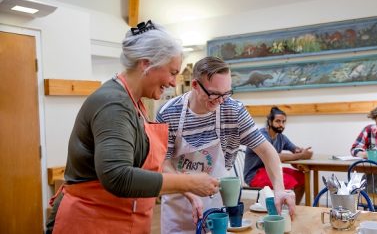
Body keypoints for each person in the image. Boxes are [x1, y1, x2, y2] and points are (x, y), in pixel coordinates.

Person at [46, 20, 219, 234]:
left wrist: (187, 190)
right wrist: (188, 183)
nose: (174, 83)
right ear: (146, 63)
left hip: (122, 221)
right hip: (91, 222)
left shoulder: (134, 103)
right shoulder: (114, 104)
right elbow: (118, 176)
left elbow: (143, 167)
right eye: (172, 72)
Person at [156, 56, 296, 234]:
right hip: (179, 205)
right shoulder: (169, 113)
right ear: (195, 85)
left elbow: (266, 151)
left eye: (226, 93)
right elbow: (163, 163)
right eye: (214, 94)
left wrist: (280, 189)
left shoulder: (233, 110)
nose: (221, 101)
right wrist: (189, 191)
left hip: (217, 204)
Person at [243, 106, 313, 205]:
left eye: (283, 122)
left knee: (302, 177)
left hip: (271, 170)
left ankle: (293, 208)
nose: (281, 124)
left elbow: (295, 149)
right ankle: (282, 212)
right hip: (255, 174)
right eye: (278, 121)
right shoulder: (261, 136)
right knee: (289, 181)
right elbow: (276, 156)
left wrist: (302, 151)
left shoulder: (281, 137)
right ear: (270, 122)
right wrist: (301, 155)